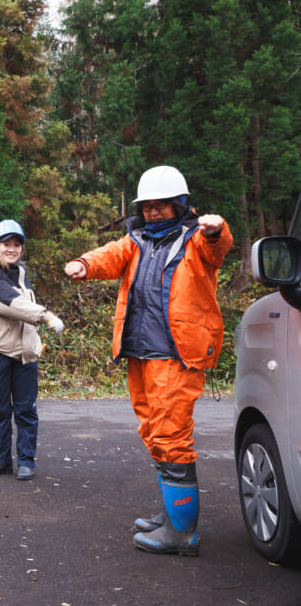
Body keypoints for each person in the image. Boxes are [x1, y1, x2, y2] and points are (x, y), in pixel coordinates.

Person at [63, 166, 232, 556]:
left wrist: (215, 228)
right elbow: (109, 255)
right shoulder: (136, 241)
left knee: (172, 438)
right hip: (139, 353)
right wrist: (85, 265)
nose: (154, 213)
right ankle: (171, 514)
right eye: (149, 207)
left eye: (162, 206)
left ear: (180, 205)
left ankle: (183, 532)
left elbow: (218, 246)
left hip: (176, 355)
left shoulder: (195, 241)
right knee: (153, 434)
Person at [0, 220, 64, 482]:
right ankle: (1, 460)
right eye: (6, 244)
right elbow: (11, 303)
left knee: (26, 410)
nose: (11, 249)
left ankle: (26, 461)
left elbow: (23, 305)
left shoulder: (23, 276)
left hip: (26, 354)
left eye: (16, 245)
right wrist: (46, 316)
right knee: (0, 410)